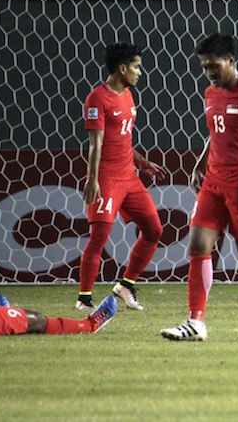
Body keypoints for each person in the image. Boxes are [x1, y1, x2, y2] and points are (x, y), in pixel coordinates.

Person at [160, 32, 238, 342]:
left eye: (214, 65)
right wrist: (201, 160)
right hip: (214, 183)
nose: (210, 72)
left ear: (231, 60)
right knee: (198, 245)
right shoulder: (210, 93)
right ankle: (196, 322)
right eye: (204, 67)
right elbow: (216, 132)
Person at [78, 42, 166, 311]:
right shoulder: (97, 98)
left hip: (130, 176)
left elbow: (123, 139)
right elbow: (96, 143)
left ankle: (125, 285)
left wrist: (143, 163)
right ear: (122, 68)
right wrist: (93, 179)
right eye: (137, 67)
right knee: (99, 237)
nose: (140, 72)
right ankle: (84, 300)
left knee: (154, 230)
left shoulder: (128, 95)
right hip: (107, 178)